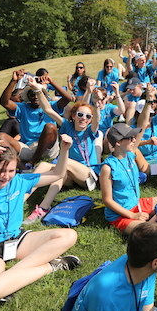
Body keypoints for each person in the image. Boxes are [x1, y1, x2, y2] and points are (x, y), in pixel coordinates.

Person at [0, 136, 81, 304]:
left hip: (16, 240)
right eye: (0, 171)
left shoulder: (19, 181)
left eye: (11, 171)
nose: (6, 176)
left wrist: (64, 150)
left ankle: (7, 280)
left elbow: (58, 173)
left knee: (68, 236)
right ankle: (50, 266)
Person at [23, 79, 104, 224]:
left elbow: (97, 121)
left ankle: (39, 206)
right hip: (69, 175)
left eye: (87, 116)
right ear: (73, 116)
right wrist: (37, 90)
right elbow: (48, 109)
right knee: (44, 167)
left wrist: (96, 104)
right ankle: (24, 200)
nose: (83, 119)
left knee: (62, 164)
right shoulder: (67, 126)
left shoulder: (91, 131)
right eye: (80, 115)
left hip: (88, 175)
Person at [100, 124, 157, 235]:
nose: (134, 140)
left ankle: (156, 218)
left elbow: (143, 123)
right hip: (120, 215)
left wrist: (148, 106)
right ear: (118, 142)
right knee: (147, 233)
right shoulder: (108, 168)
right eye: (130, 138)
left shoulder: (130, 154)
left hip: (138, 204)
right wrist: (132, 215)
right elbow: (107, 200)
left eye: (133, 137)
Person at [0, 69, 73, 166]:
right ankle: (22, 164)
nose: (36, 96)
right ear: (28, 97)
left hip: (48, 149)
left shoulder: (51, 106)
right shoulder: (23, 107)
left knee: (50, 127)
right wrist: (14, 81)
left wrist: (51, 82)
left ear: (44, 95)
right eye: (32, 94)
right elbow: (4, 102)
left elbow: (67, 98)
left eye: (38, 93)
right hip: (28, 148)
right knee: (1, 136)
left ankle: (32, 162)